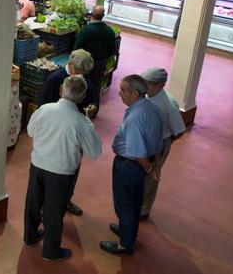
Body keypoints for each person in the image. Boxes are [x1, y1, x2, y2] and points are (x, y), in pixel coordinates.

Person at [24, 75, 102, 261]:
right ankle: (51, 252)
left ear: (61, 89)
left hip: (38, 165)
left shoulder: (44, 110)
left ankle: (30, 237)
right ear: (82, 97)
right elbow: (94, 152)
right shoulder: (80, 121)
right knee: (53, 210)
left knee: (33, 204)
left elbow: (30, 131)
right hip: (61, 171)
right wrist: (88, 120)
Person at [100, 75, 162, 255]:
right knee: (134, 202)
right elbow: (158, 138)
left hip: (128, 166)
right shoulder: (151, 107)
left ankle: (125, 244)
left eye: (123, 90)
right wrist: (154, 163)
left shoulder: (135, 117)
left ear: (135, 93)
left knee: (124, 204)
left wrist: (149, 169)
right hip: (139, 166)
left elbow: (137, 153)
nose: (119, 94)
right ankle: (129, 230)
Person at [40, 49, 96, 217]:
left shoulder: (84, 79)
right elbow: (43, 106)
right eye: (79, 72)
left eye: (84, 74)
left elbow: (92, 97)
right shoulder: (54, 79)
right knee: (52, 174)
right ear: (70, 65)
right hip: (56, 136)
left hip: (76, 135)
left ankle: (66, 199)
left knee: (72, 169)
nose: (82, 76)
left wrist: (93, 106)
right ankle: (46, 205)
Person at [140, 68, 186, 219]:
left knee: (150, 178)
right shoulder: (147, 96)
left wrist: (165, 146)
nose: (144, 87)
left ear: (160, 85)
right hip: (145, 141)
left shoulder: (168, 105)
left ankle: (142, 210)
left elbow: (179, 130)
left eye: (148, 84)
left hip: (158, 144)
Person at [73, 5, 117, 115]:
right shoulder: (109, 31)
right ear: (103, 16)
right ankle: (94, 109)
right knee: (96, 85)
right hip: (100, 62)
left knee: (81, 84)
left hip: (84, 62)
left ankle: (80, 109)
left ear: (91, 14)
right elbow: (112, 50)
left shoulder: (85, 30)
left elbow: (76, 48)